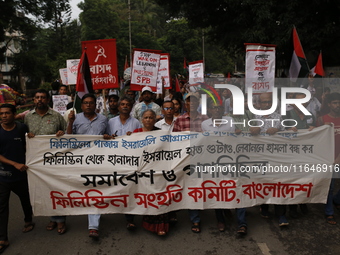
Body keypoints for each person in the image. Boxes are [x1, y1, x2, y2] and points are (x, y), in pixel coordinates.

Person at [201, 99, 248, 235]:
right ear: (209, 110)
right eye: (214, 108)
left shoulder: (230, 121)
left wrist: (239, 133)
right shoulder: (205, 124)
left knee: (238, 188)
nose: (216, 110)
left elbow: (238, 134)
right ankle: (220, 219)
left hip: (232, 161)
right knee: (218, 190)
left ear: (223, 110)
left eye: (219, 108)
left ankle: (242, 222)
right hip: (214, 163)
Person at [24, 89, 67, 234]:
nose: (40, 100)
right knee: (45, 190)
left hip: (55, 160)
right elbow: (25, 134)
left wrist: (61, 133)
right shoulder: (28, 117)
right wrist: (27, 135)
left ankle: (60, 220)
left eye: (43, 97)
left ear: (48, 100)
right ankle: (52, 217)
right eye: (37, 97)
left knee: (57, 188)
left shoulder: (56, 116)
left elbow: (66, 132)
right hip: (37, 162)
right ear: (34, 100)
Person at [67, 94, 108, 239]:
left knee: (96, 188)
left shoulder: (103, 119)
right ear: (81, 105)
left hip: (99, 159)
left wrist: (108, 137)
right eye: (85, 103)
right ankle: (92, 224)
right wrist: (70, 123)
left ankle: (94, 222)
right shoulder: (75, 118)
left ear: (95, 105)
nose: (88, 105)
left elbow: (107, 136)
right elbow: (68, 138)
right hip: (81, 160)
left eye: (91, 103)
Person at [127, 109, 169, 236]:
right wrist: (128, 138)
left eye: (151, 117)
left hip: (156, 170)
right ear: (142, 119)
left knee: (158, 195)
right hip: (141, 170)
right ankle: (147, 223)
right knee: (144, 195)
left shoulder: (161, 133)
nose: (148, 120)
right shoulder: (136, 133)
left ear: (155, 120)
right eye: (146, 117)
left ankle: (161, 226)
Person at [249, 92, 287, 227]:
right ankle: (264, 207)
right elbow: (244, 131)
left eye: (269, 102)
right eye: (264, 102)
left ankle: (281, 215)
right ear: (259, 103)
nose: (267, 104)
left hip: (276, 157)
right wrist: (252, 129)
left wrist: (278, 130)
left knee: (278, 184)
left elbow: (289, 134)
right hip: (259, 156)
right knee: (263, 183)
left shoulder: (279, 117)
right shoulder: (253, 116)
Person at [0, 104, 34, 253]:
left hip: (21, 175)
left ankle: (28, 220)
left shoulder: (22, 128)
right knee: (2, 208)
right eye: (1, 114)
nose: (4, 116)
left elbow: (29, 146)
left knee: (26, 199)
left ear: (14, 114)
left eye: (7, 113)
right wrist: (14, 163)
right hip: (3, 177)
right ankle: (3, 238)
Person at [173, 92, 208, 233]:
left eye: (194, 101)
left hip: (203, 159)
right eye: (188, 101)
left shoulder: (205, 119)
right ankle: (195, 219)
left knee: (203, 187)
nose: (191, 103)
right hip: (186, 160)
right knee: (192, 188)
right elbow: (174, 141)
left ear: (198, 103)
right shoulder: (180, 120)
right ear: (185, 104)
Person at [104, 96, 141, 230]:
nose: (125, 106)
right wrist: (108, 137)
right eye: (123, 104)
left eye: (128, 104)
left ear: (131, 108)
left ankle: (129, 218)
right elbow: (105, 138)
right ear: (119, 107)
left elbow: (141, 139)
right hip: (115, 160)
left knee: (130, 187)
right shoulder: (110, 122)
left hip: (131, 159)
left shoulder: (136, 122)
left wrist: (134, 136)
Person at [318, 92, 340, 225]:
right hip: (328, 160)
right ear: (329, 104)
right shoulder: (322, 120)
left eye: (339, 103)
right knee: (329, 187)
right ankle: (329, 212)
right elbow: (317, 139)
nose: (337, 105)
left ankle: (336, 200)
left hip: (338, 158)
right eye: (335, 103)